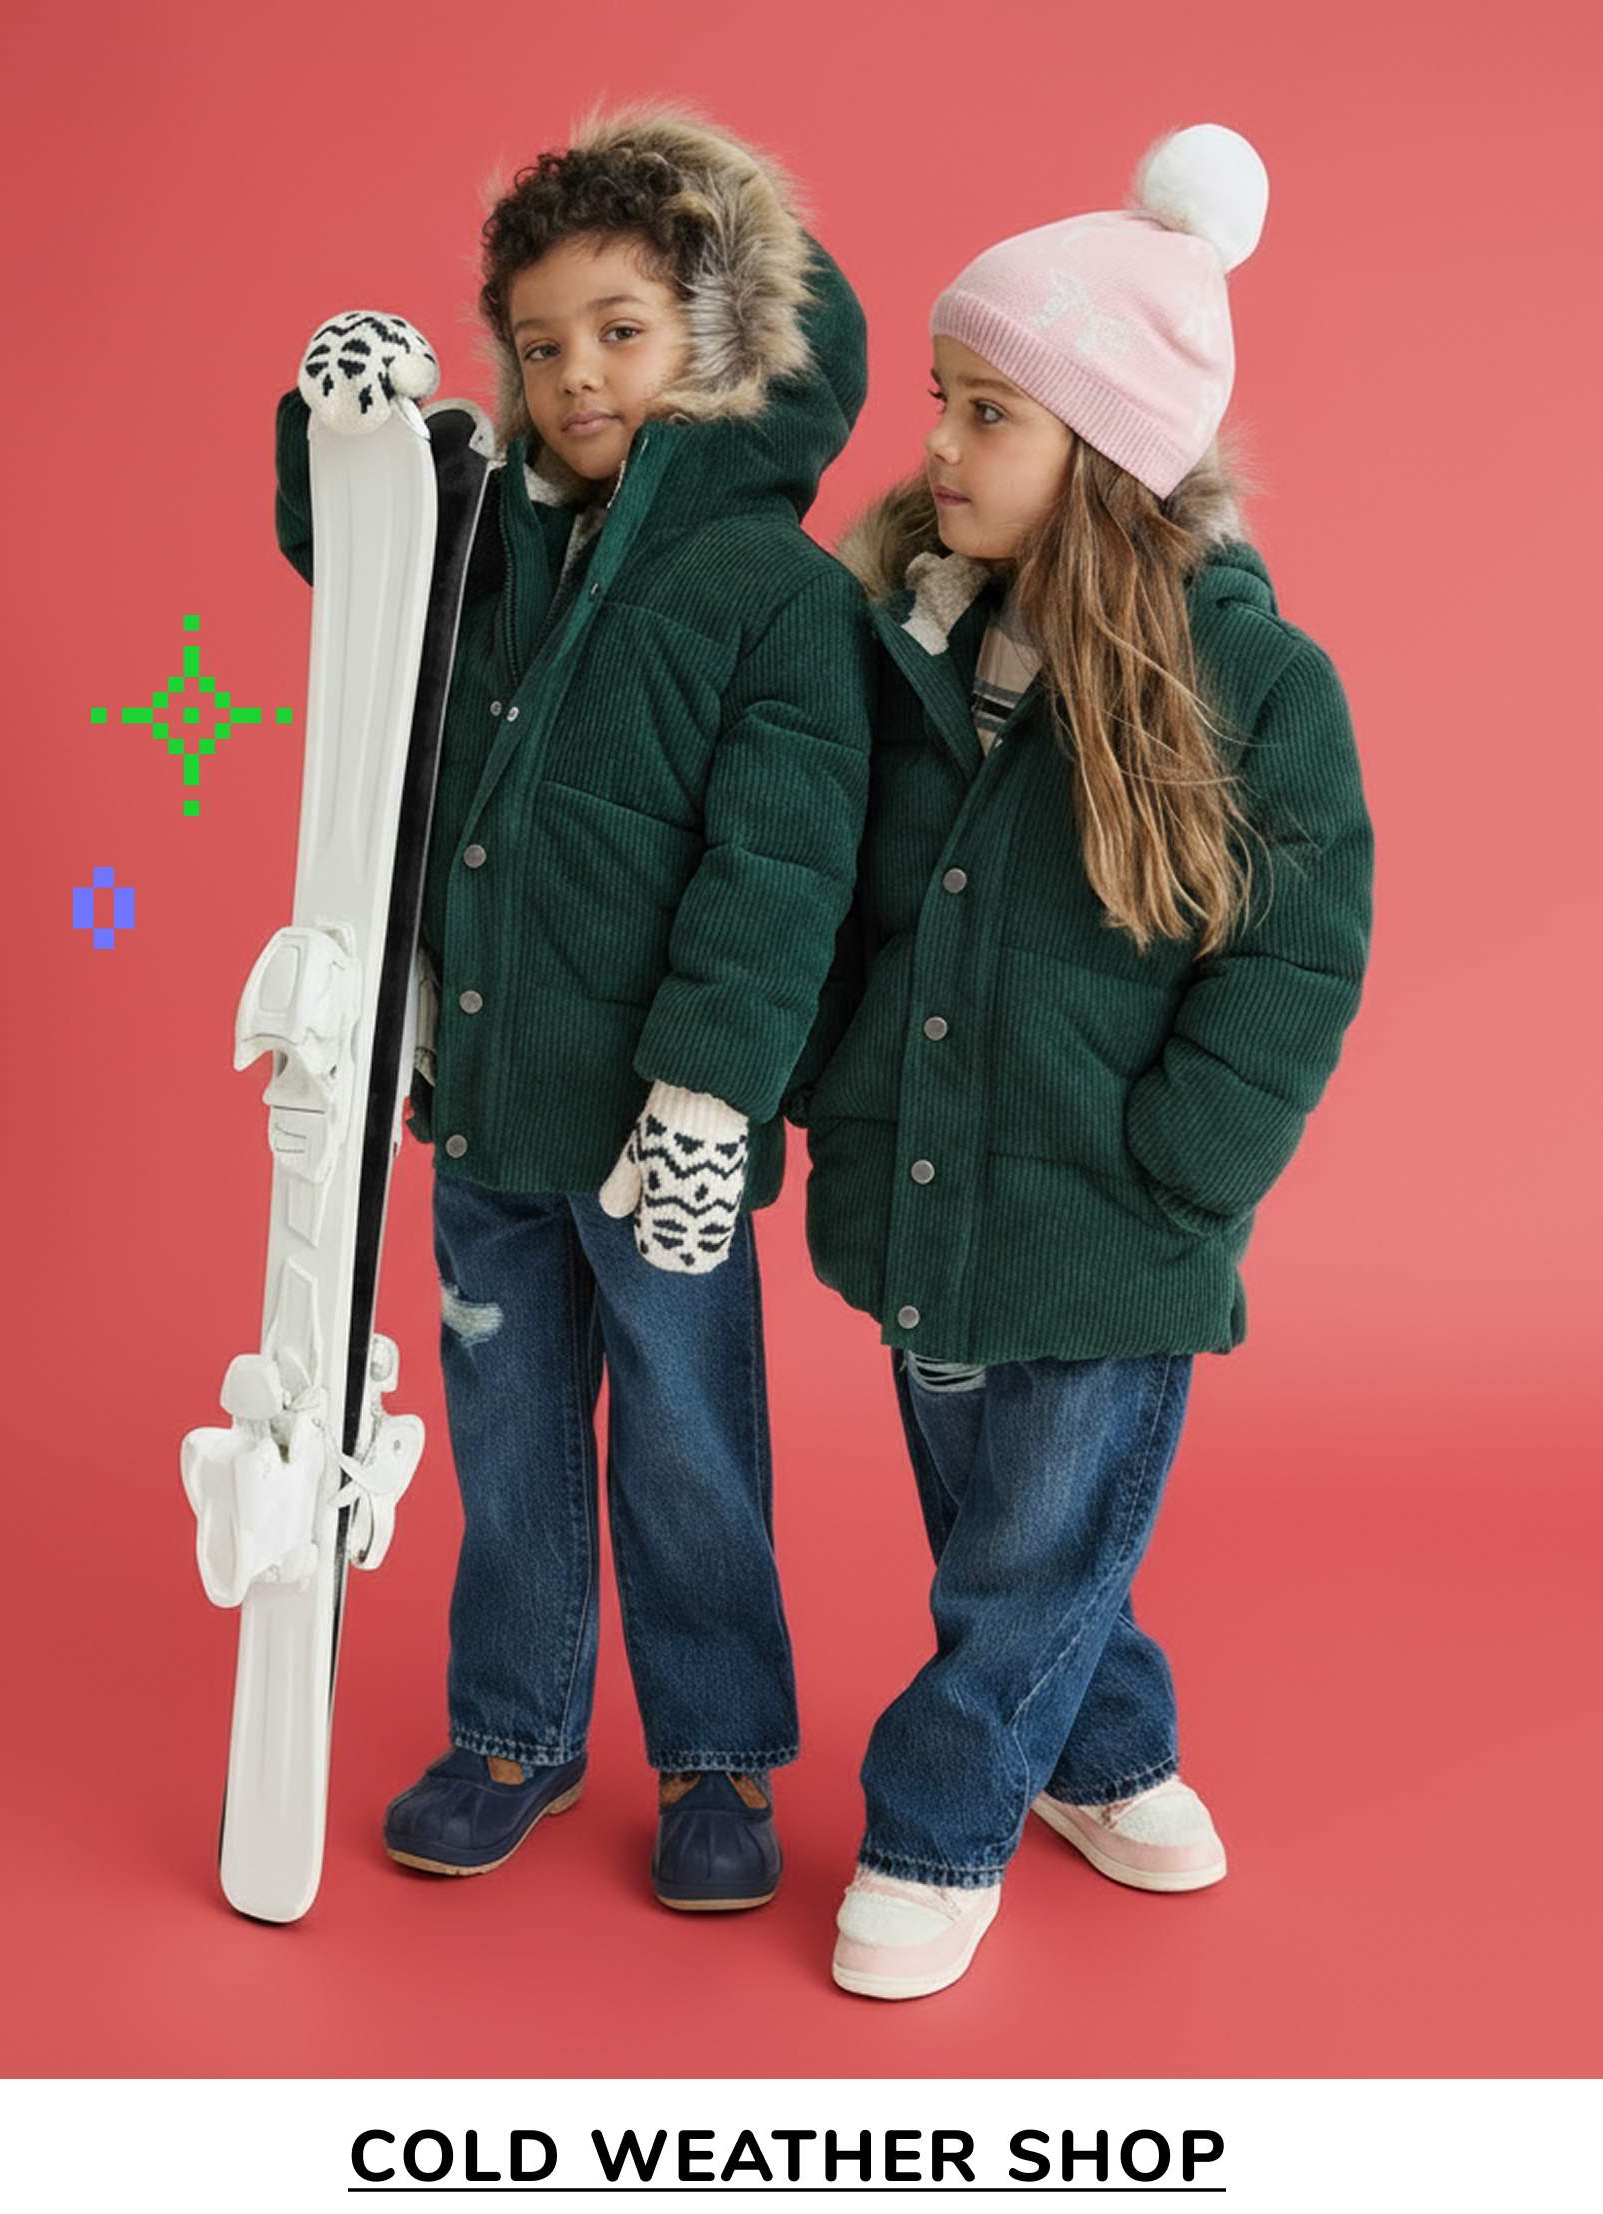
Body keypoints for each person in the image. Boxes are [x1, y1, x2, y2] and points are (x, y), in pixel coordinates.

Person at [786, 125, 1375, 1996]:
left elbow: (1297, 946)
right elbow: (840, 895)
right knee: (1001, 1527)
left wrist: (1182, 1165)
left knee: (1027, 1550)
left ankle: (940, 1823)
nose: (941, 448)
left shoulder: (1252, 688)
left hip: (1110, 1215)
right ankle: (1102, 1749)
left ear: (1109, 446)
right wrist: (822, 1087)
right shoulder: (911, 642)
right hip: (925, 1185)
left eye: (991, 414)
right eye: (943, 403)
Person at [274, 100, 872, 1911]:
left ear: (720, 333)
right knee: (509, 1438)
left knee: (689, 1442)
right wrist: (337, 427)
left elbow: (781, 869)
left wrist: (711, 1097)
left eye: (621, 329)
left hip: (658, 1135)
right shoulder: (487, 539)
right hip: (488, 1104)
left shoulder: (772, 590)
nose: (577, 375)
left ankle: (716, 1750)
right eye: (540, 345)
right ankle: (514, 1728)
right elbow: (349, 561)